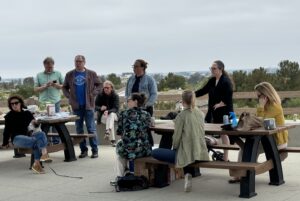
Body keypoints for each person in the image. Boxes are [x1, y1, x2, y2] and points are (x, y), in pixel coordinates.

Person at [229, 81, 288, 183]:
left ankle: (246, 173)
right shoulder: (265, 106)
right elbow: (258, 119)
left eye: (259, 95)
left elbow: (262, 122)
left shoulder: (275, 106)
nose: (258, 98)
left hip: (277, 141)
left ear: (266, 95)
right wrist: (261, 108)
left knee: (250, 148)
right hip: (267, 139)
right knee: (246, 148)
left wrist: (261, 107)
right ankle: (241, 173)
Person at [152, 90, 210, 192]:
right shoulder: (200, 114)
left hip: (187, 155)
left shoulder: (181, 116)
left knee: (155, 152)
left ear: (182, 102)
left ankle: (164, 178)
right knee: (185, 151)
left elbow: (176, 138)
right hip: (201, 154)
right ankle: (187, 173)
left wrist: (175, 148)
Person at [62, 55, 101, 159]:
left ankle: (95, 150)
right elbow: (64, 87)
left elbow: (99, 85)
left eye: (80, 61)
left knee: (91, 128)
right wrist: (69, 96)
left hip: (88, 105)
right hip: (76, 106)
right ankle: (83, 151)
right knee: (79, 129)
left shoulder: (91, 74)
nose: (78, 63)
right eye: (76, 61)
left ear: (84, 62)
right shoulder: (69, 74)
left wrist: (93, 93)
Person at [1, 95, 52, 174]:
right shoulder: (9, 116)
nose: (14, 105)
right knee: (37, 141)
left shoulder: (27, 113)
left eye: (16, 103)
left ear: (20, 103)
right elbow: (6, 131)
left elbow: (35, 126)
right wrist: (5, 143)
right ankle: (42, 157)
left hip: (28, 136)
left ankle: (39, 161)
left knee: (41, 134)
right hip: (17, 138)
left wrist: (36, 123)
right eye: (12, 104)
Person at [194, 60, 233, 161]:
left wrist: (221, 103)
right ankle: (203, 156)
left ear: (221, 69)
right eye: (211, 68)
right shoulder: (212, 81)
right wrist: (191, 95)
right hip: (212, 112)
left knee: (224, 134)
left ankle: (226, 157)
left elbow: (229, 96)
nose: (212, 70)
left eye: (214, 68)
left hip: (224, 113)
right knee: (207, 131)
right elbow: (203, 90)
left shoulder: (226, 81)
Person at [115, 93, 152, 178]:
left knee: (119, 146)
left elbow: (119, 132)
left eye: (128, 101)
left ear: (135, 101)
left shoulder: (123, 114)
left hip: (128, 150)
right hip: (143, 149)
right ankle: (129, 171)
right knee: (126, 146)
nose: (127, 103)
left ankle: (120, 176)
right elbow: (147, 127)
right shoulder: (146, 114)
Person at [34, 57, 64, 144]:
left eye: (51, 67)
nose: (49, 69)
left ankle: (56, 142)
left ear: (53, 65)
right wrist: (44, 86)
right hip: (43, 103)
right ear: (44, 65)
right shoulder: (39, 75)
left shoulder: (58, 74)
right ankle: (45, 142)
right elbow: (35, 89)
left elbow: (64, 86)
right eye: (47, 67)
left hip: (55, 101)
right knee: (44, 122)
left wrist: (56, 85)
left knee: (56, 122)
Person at [95, 80, 119, 146]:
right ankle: (110, 135)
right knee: (110, 119)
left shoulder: (115, 96)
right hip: (103, 117)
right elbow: (95, 106)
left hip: (114, 115)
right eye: (104, 87)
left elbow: (116, 108)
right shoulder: (100, 95)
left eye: (107, 87)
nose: (106, 89)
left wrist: (108, 111)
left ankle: (108, 133)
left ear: (111, 88)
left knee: (111, 115)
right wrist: (100, 108)